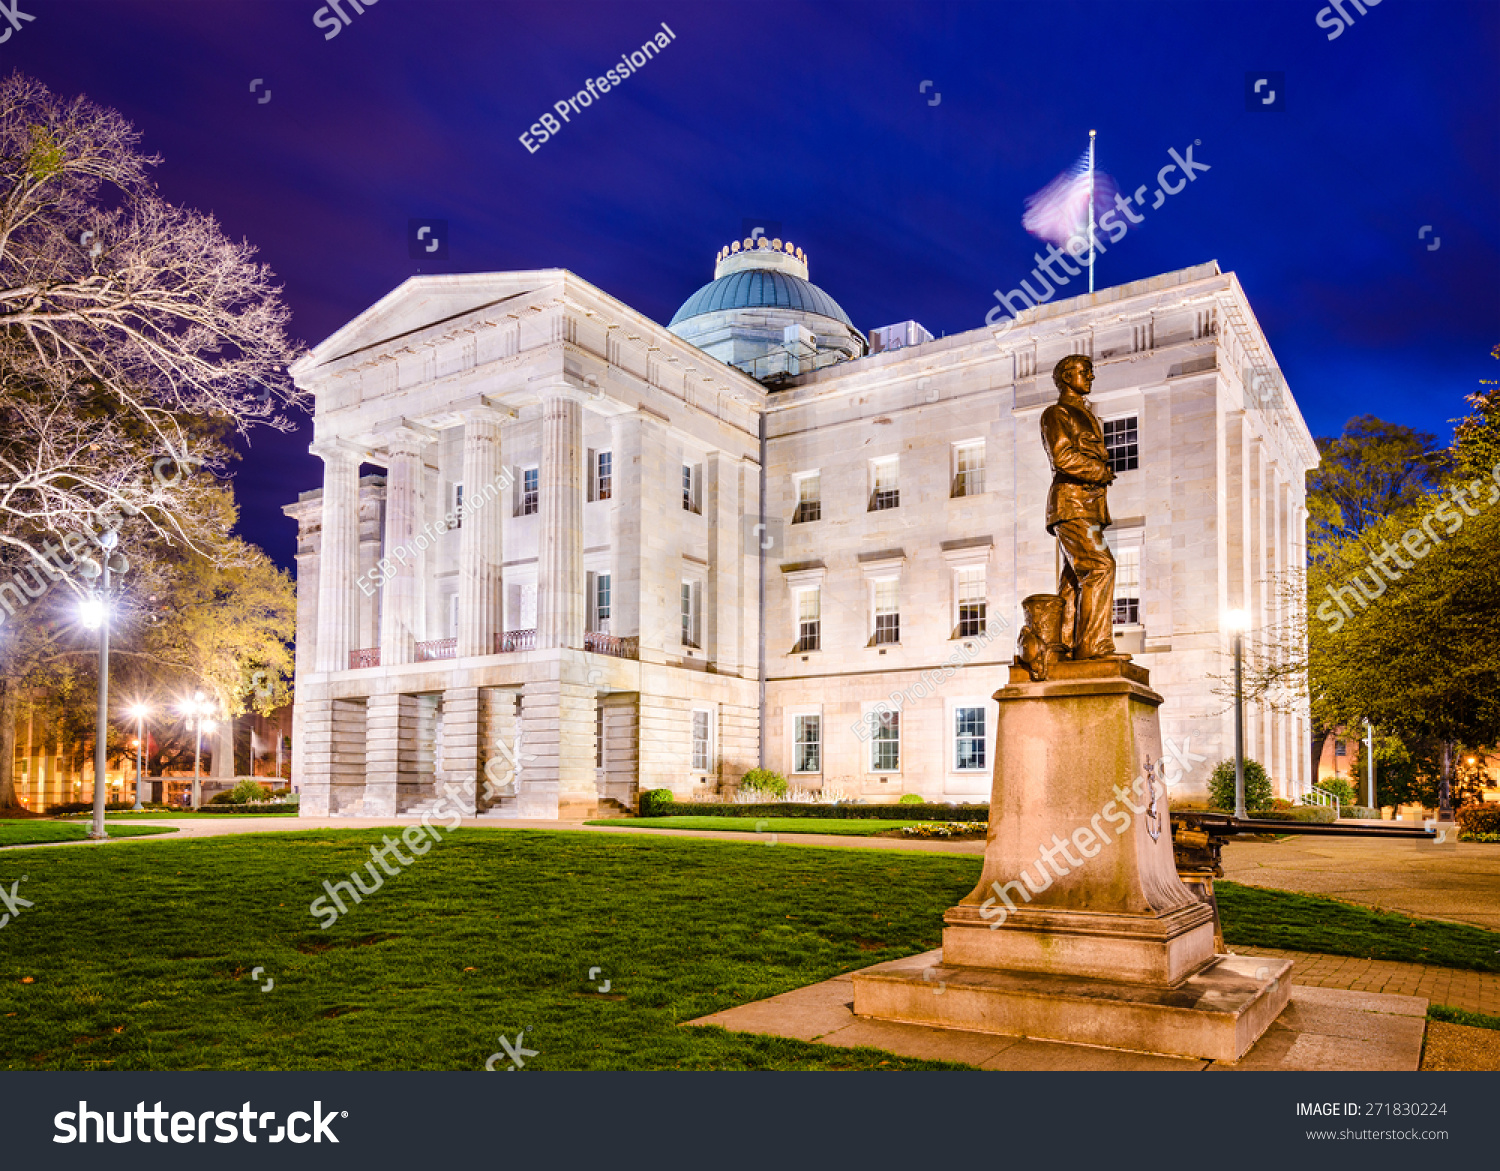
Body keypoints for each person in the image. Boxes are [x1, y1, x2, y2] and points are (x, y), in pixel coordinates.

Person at [1041, 355, 1118, 660]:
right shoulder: (1057, 413)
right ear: (1064, 376)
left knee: (1075, 579)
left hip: (1091, 509)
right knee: (1101, 566)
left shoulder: (1087, 416)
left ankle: (1063, 645)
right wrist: (1100, 472)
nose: (1090, 377)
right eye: (1084, 372)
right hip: (1071, 504)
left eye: (1090, 372)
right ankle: (1093, 647)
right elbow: (1062, 457)